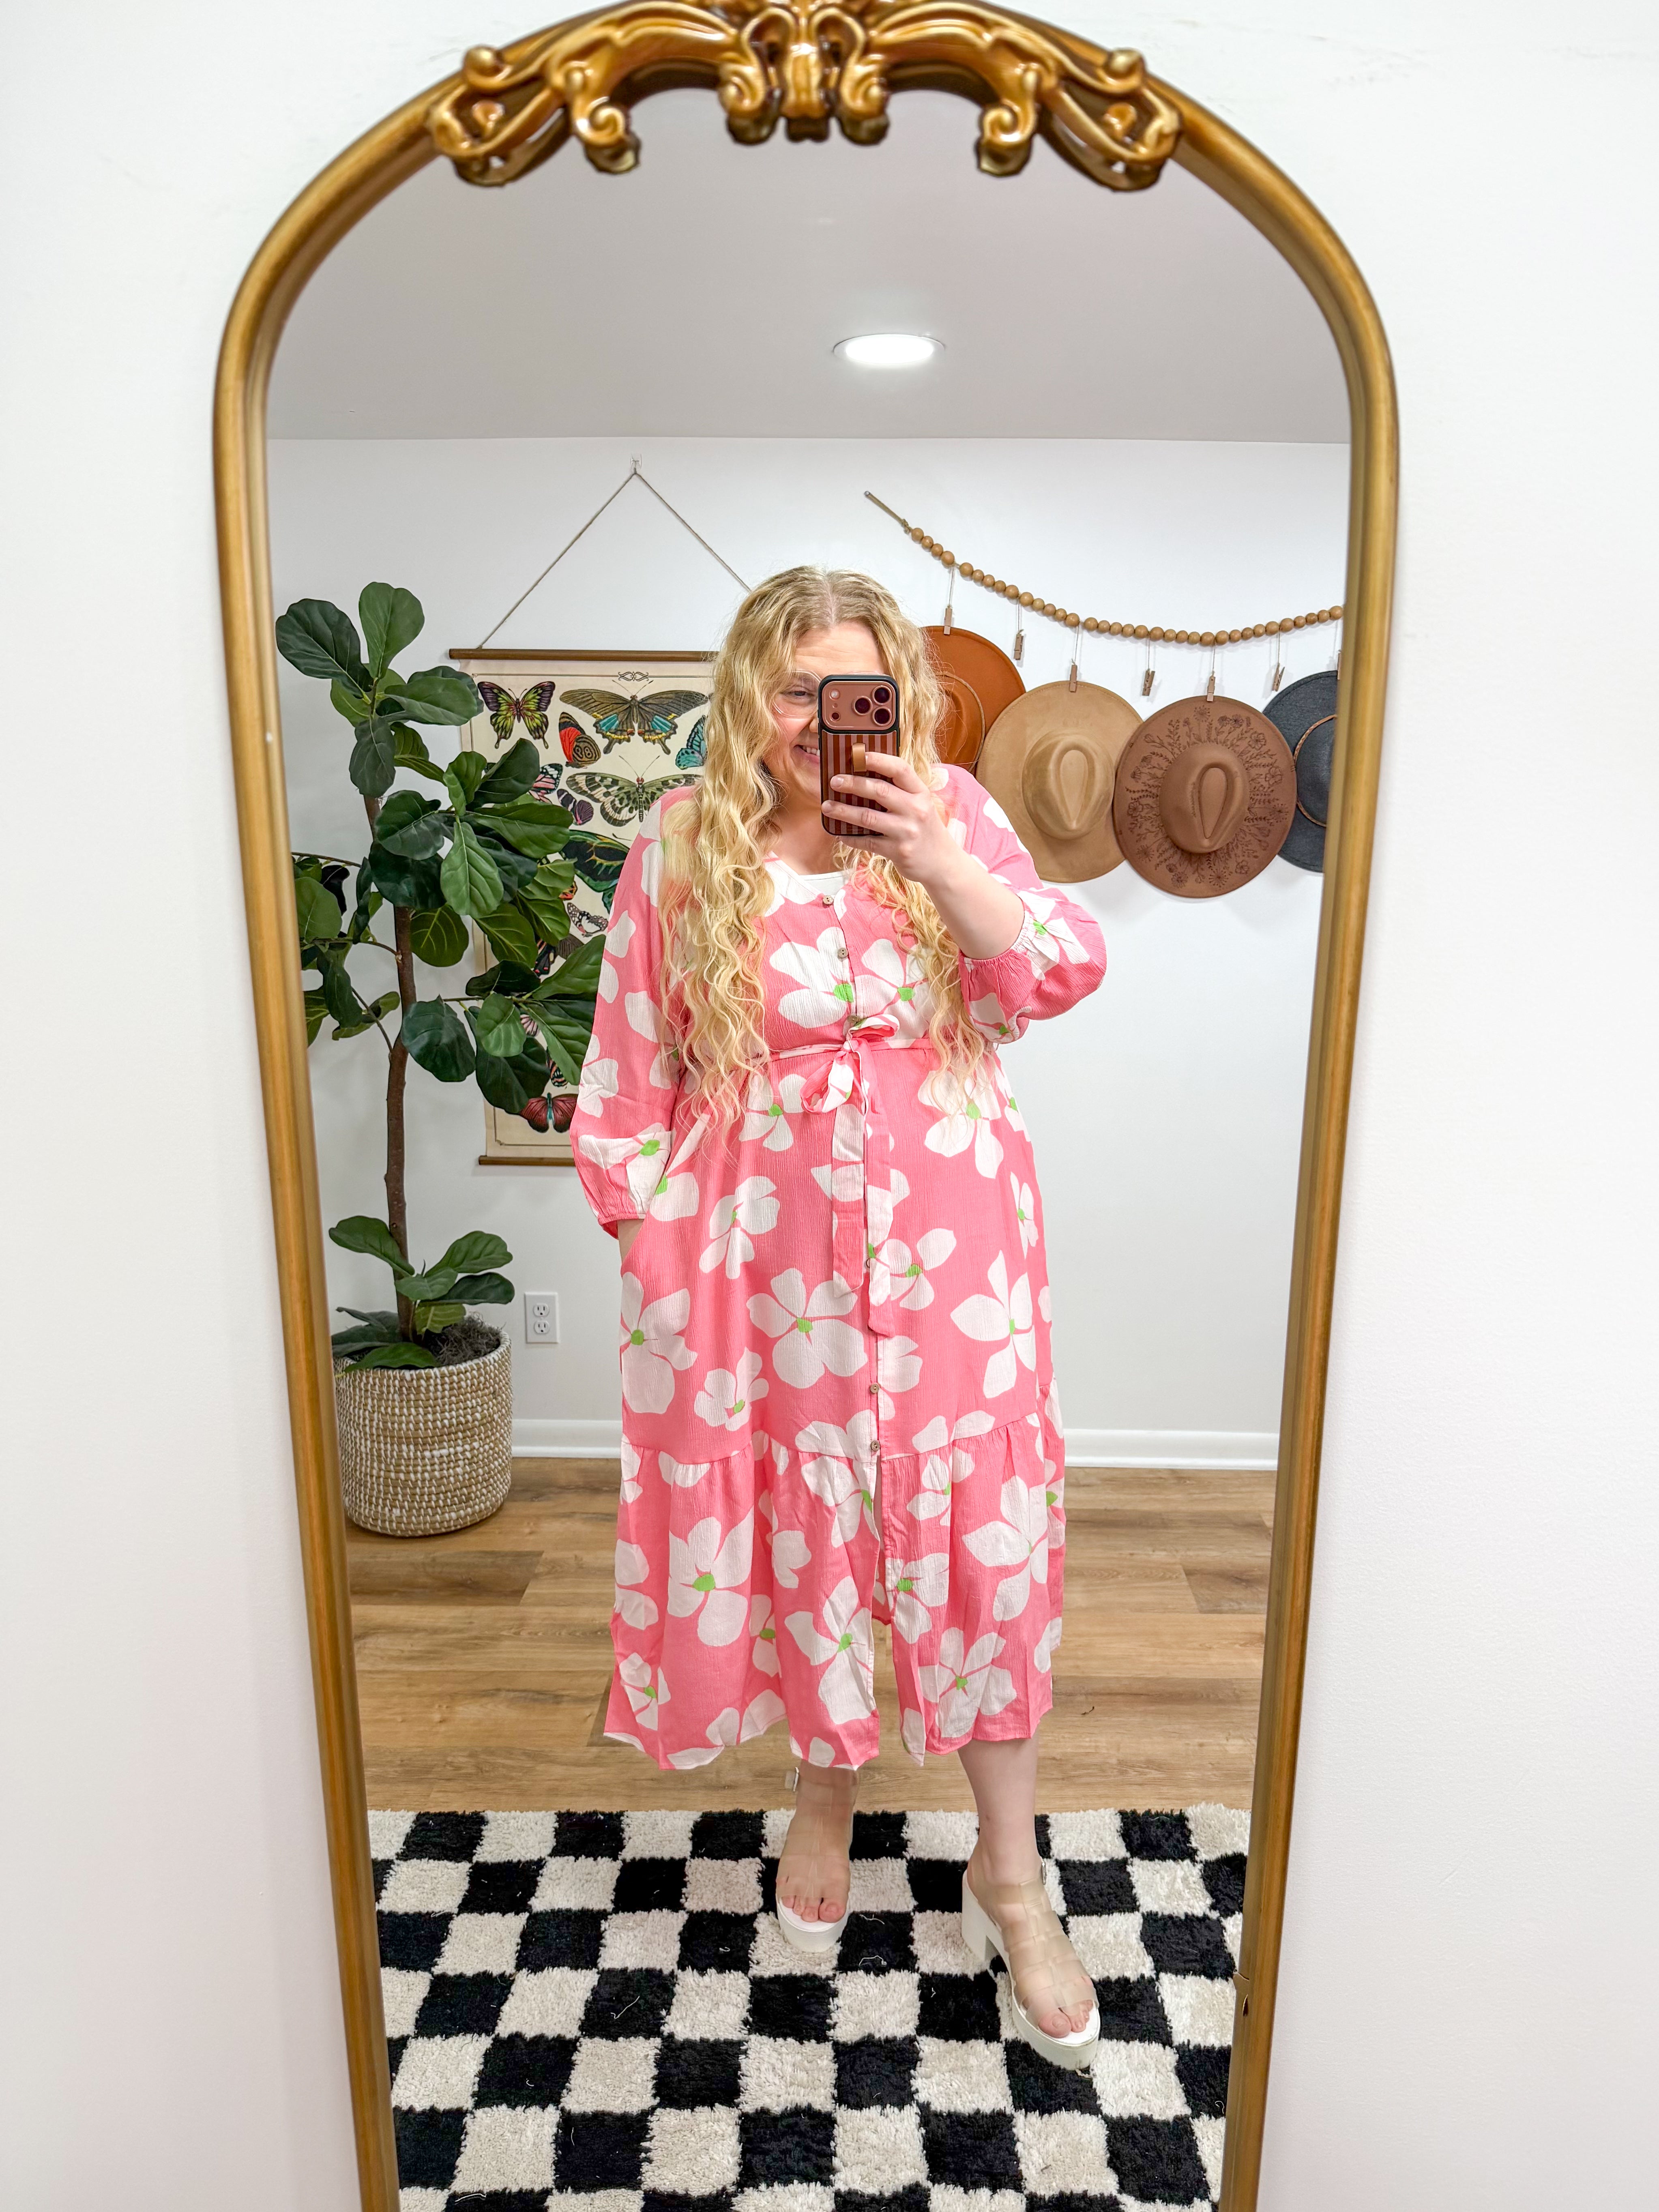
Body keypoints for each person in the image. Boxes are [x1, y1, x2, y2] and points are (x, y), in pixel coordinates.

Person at [570, 567, 1107, 2066]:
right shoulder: (683, 841)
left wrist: (934, 854)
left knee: (977, 1542)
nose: (823, 721)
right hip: (759, 1266)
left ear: (903, 701)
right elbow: (624, 1078)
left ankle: (1011, 1873)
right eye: (797, 688)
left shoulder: (947, 813)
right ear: (750, 693)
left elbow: (1058, 968)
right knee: (809, 1528)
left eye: (855, 690)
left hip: (955, 1256)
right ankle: (826, 1790)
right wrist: (654, 1248)